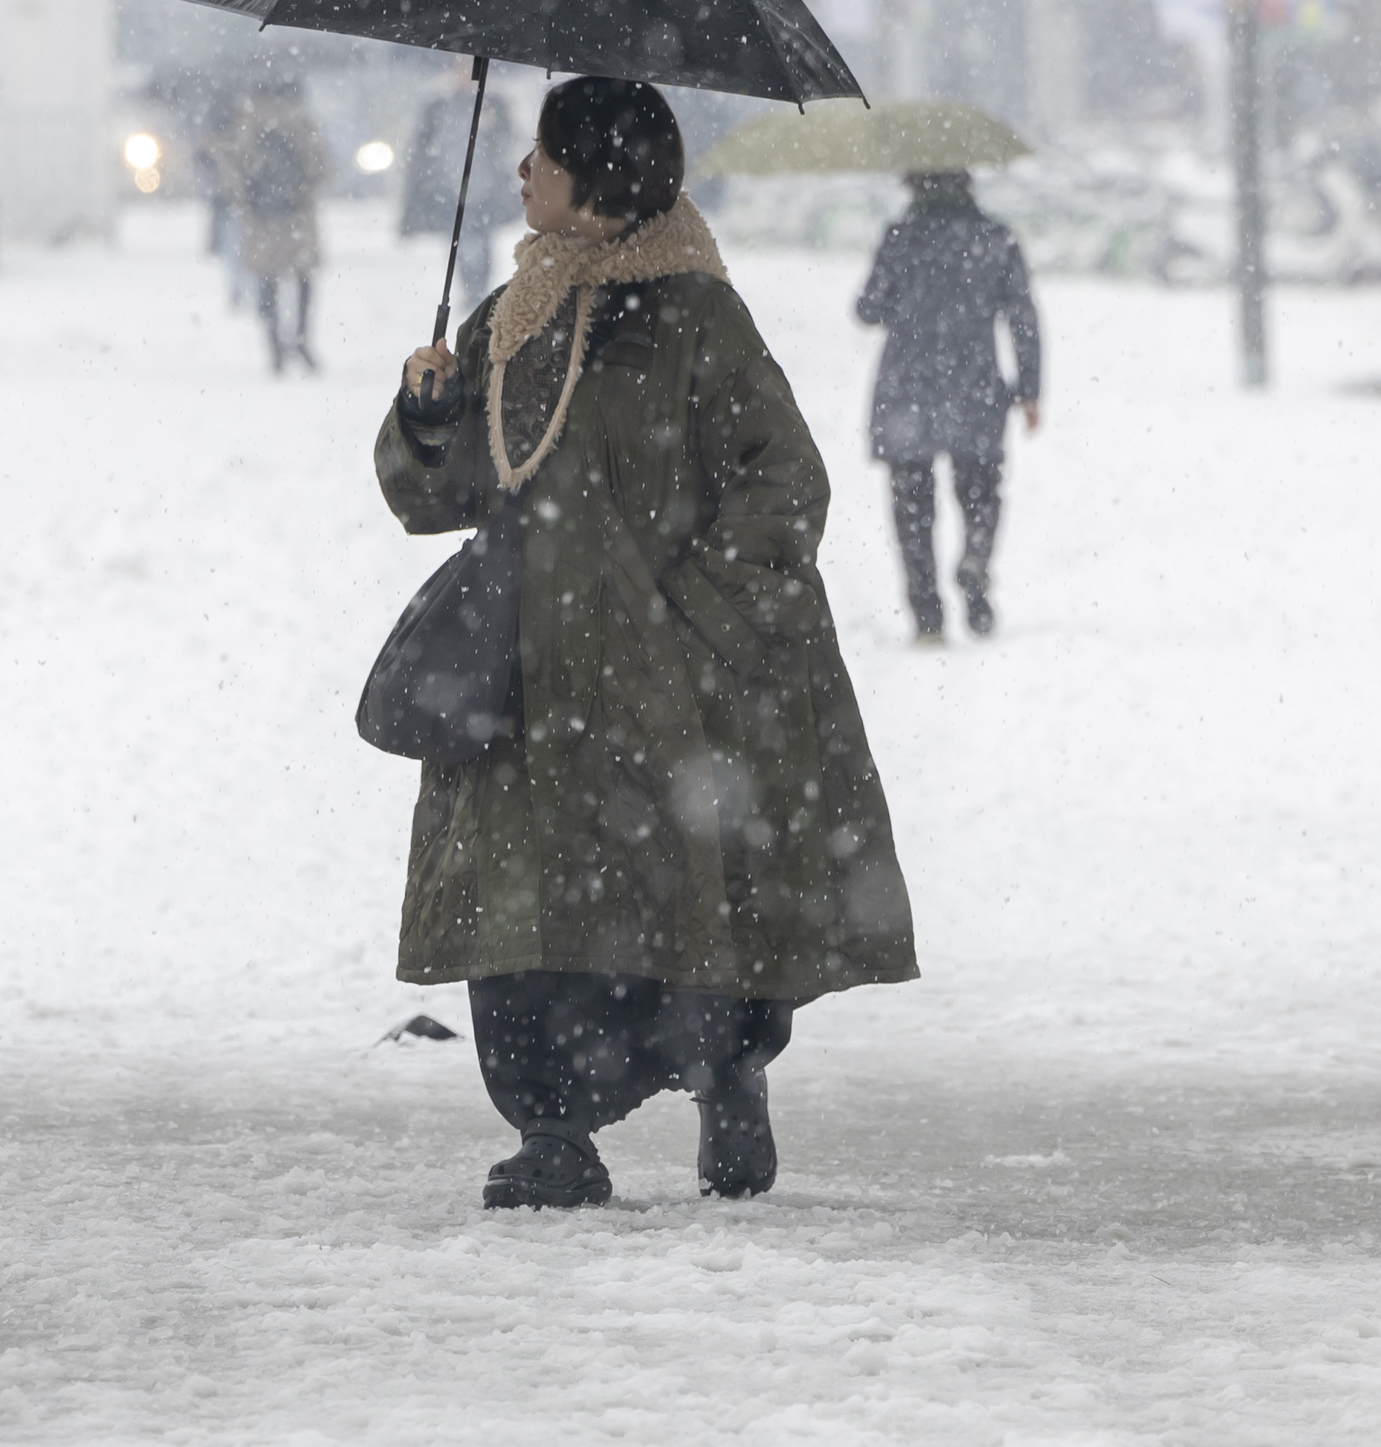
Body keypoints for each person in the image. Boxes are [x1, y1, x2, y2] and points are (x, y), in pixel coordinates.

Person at [382, 75, 918, 1209]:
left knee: (674, 900)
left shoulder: (696, 316)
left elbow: (785, 486)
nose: (524, 175)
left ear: (596, 185)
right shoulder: (513, 314)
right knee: (518, 907)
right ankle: (551, 1132)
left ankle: (726, 1072)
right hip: (524, 676)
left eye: (546, 158)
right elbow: (444, 494)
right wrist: (429, 412)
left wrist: (695, 621)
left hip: (664, 687)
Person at [856, 168, 1045, 642]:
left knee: (912, 507)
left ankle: (927, 615)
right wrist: (1029, 389)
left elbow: (869, 309)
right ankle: (975, 565)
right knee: (981, 493)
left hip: (908, 388)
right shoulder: (994, 237)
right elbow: (1022, 314)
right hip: (974, 385)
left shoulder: (900, 237)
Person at [229, 74, 327, 375]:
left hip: (261, 220)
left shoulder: (247, 123)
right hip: (296, 216)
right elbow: (321, 167)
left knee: (267, 282)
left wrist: (246, 196)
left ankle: (274, 346)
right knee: (302, 279)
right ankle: (301, 338)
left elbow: (234, 172)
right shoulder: (300, 121)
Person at [399, 64, 515, 300]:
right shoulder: (438, 104)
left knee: (481, 240)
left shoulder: (492, 103)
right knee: (458, 240)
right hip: (450, 186)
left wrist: (493, 126)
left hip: (484, 187)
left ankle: (479, 288)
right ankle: (468, 287)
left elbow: (506, 141)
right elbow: (423, 147)